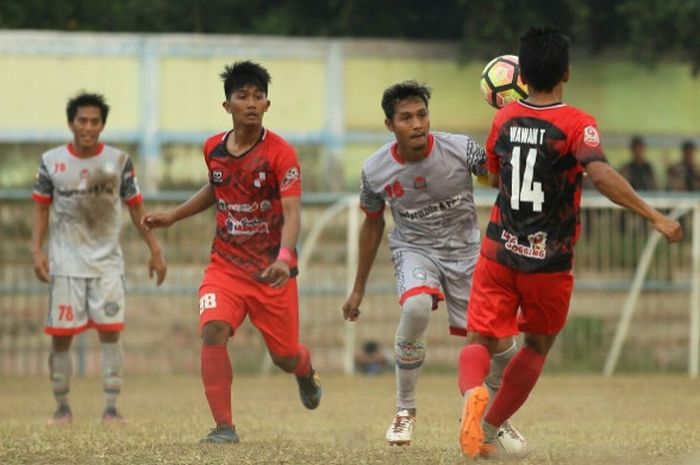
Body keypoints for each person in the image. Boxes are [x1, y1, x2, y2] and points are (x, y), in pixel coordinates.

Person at [456, 27, 683, 459]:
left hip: (499, 252)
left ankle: (471, 395)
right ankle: (486, 428)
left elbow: (495, 176)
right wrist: (653, 215)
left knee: (479, 340)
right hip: (549, 262)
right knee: (537, 346)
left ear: (520, 75)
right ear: (567, 73)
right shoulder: (577, 123)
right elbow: (599, 174)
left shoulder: (502, 119)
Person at [141, 61, 321, 444]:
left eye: (258, 96)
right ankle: (225, 427)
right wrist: (173, 216)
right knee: (213, 330)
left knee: (284, 357)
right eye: (242, 96)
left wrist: (286, 259)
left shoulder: (281, 154)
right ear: (228, 106)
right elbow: (216, 187)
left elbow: (293, 213)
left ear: (267, 105)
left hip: (272, 271)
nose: (251, 103)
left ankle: (305, 370)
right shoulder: (213, 148)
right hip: (225, 266)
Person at [342, 81, 525, 450]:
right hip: (415, 250)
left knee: (505, 349)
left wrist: (511, 133)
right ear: (389, 125)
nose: (418, 124)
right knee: (416, 306)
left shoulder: (461, 148)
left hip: (468, 254)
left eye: (422, 114)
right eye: (406, 118)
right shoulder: (374, 171)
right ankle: (405, 410)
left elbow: (497, 179)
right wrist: (358, 287)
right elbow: (373, 223)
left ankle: (490, 417)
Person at [31, 92, 167, 425]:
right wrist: (37, 251)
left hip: (107, 266)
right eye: (82, 120)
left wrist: (155, 249)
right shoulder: (51, 161)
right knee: (61, 338)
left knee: (110, 333)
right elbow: (41, 209)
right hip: (65, 266)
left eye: (95, 121)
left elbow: (137, 210)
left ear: (102, 125)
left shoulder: (120, 162)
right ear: (71, 123)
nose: (88, 127)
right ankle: (62, 408)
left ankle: (111, 408)